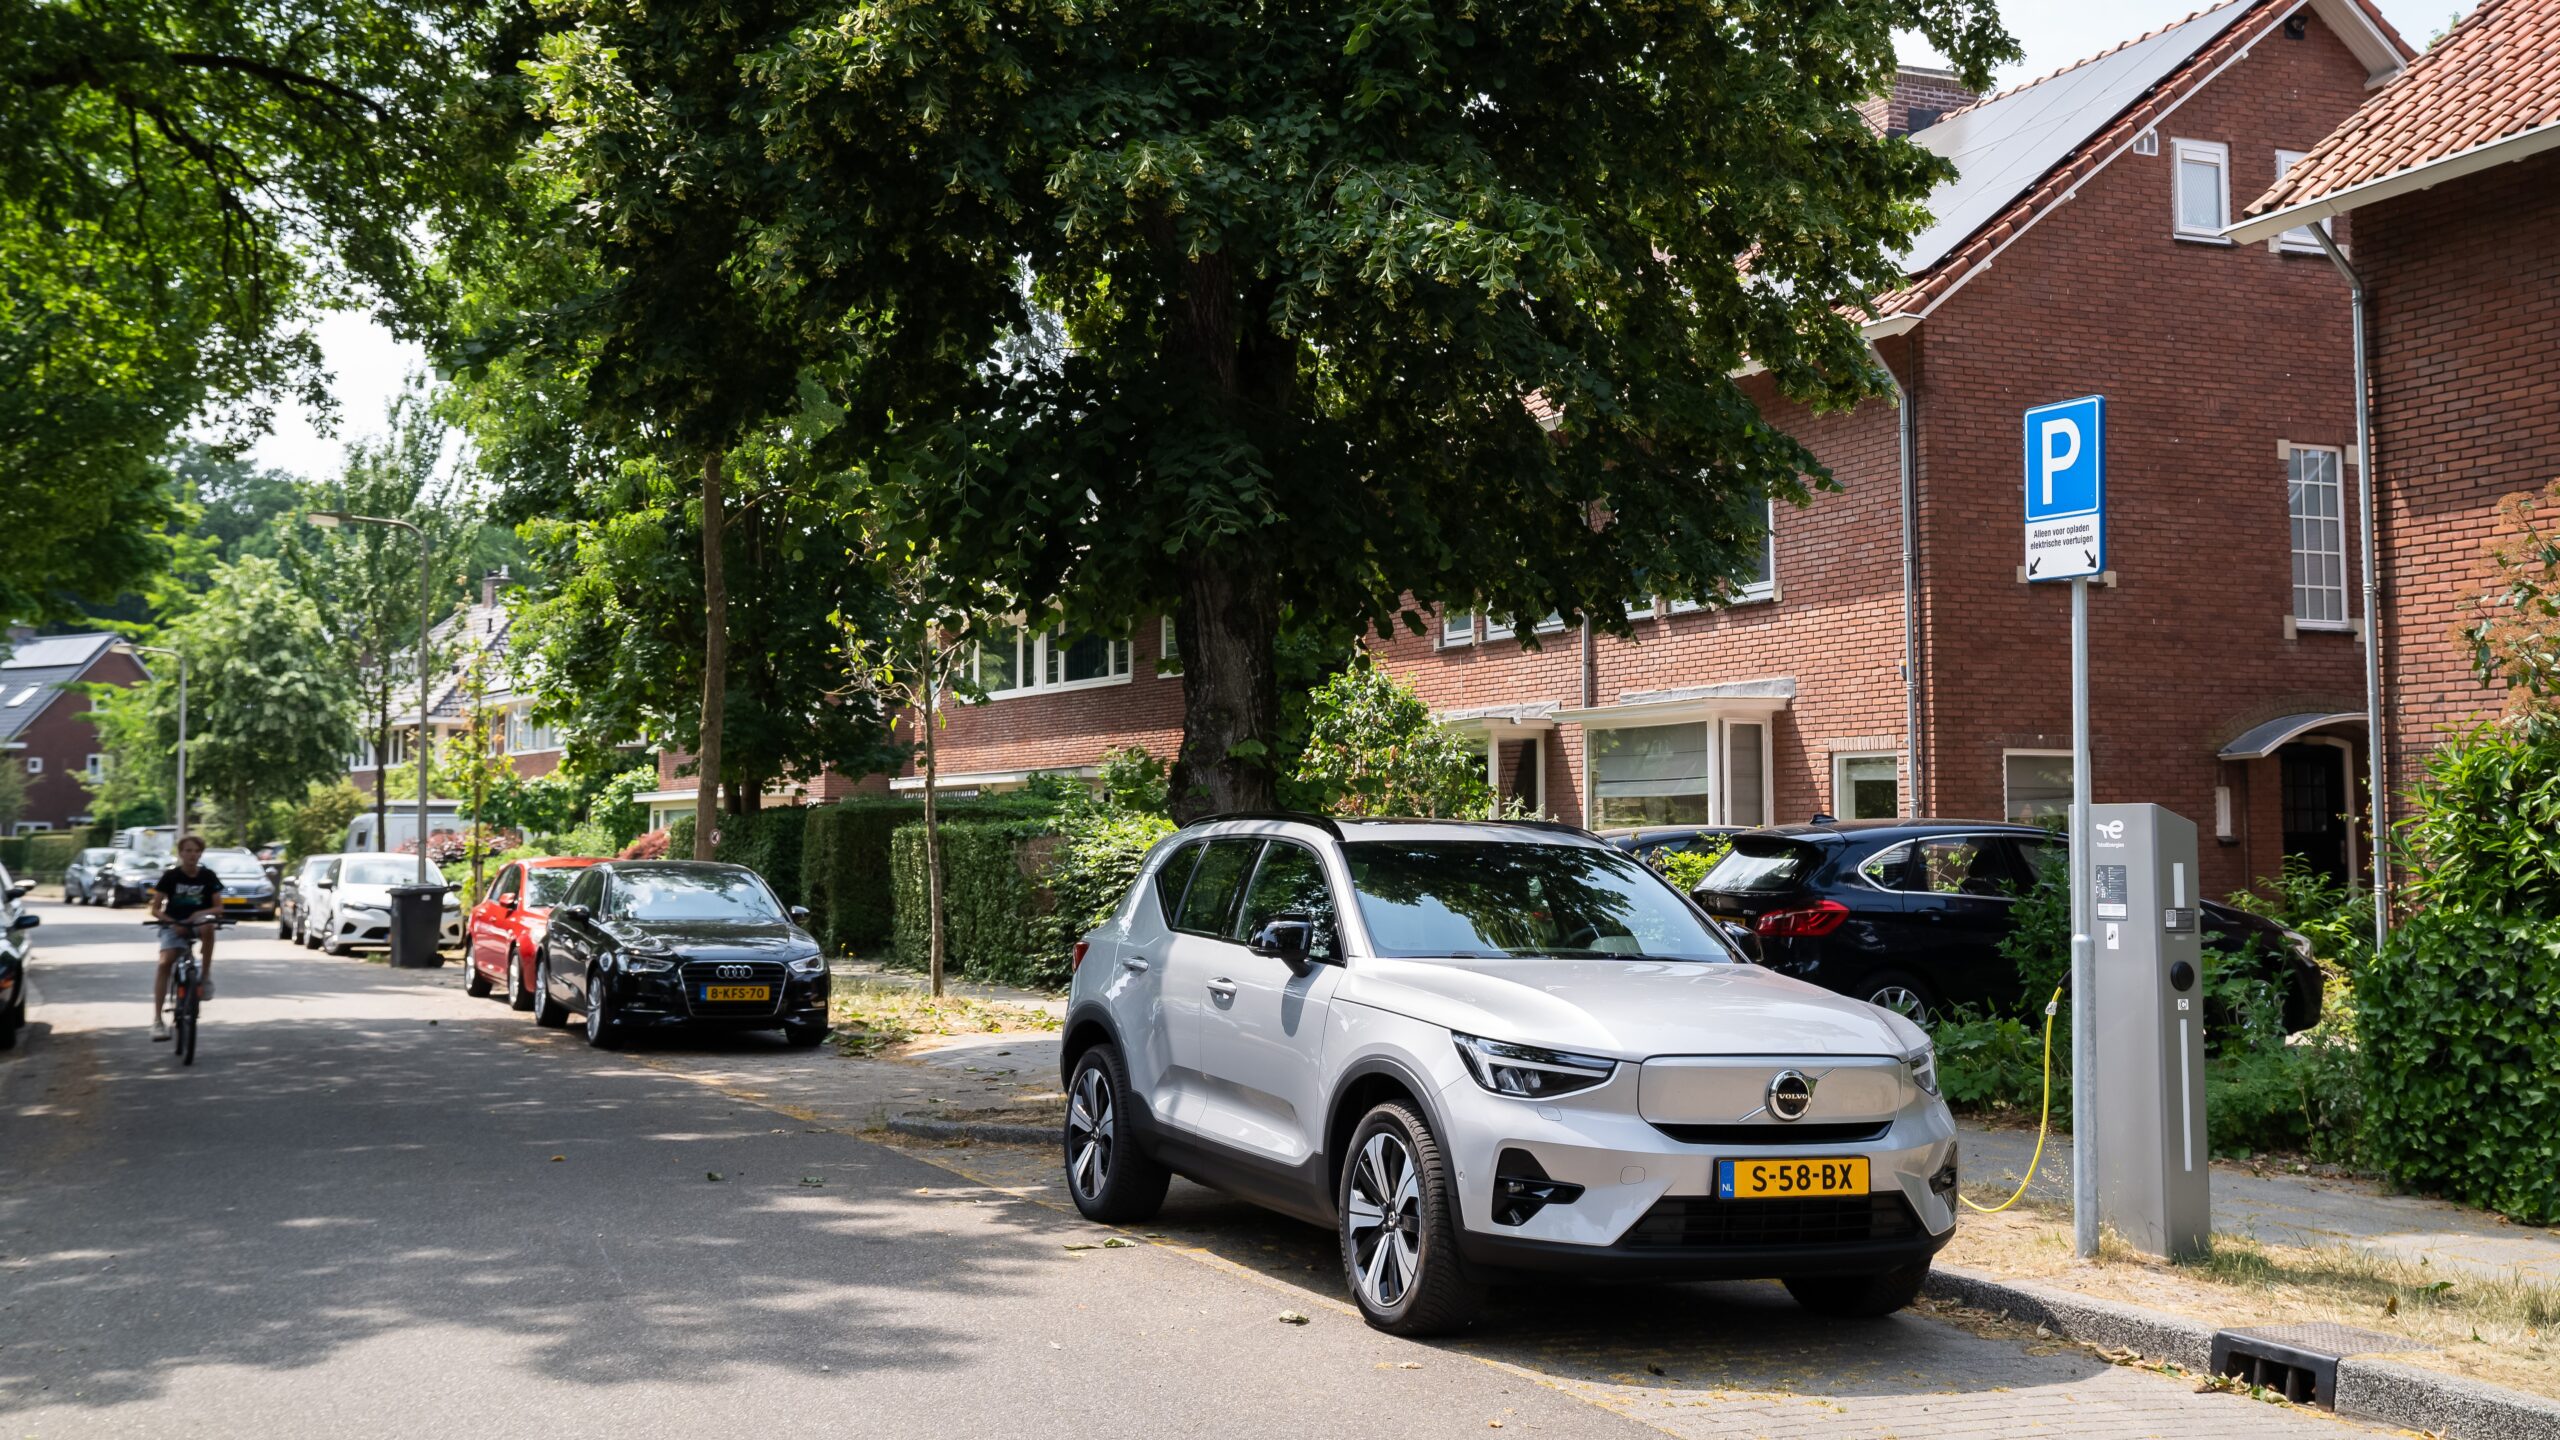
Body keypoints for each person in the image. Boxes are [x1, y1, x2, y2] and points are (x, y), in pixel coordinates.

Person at [148, 835, 224, 1041]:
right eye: (188, 851)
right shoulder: (170, 876)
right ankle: (157, 1020)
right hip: (174, 925)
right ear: (181, 853)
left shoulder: (208, 876)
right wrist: (172, 923)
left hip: (197, 924)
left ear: (201, 854)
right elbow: (155, 909)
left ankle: (205, 977)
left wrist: (197, 915)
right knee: (165, 963)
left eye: (196, 851)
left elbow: (219, 907)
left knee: (209, 925)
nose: (192, 855)